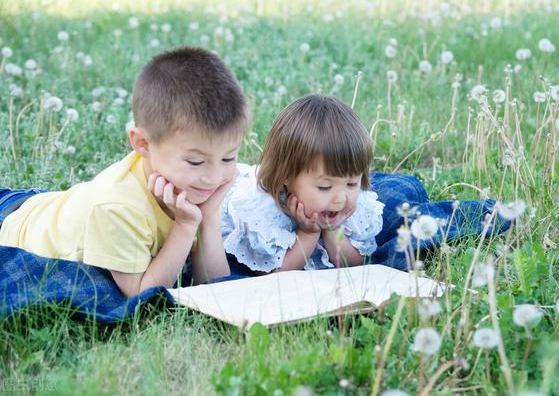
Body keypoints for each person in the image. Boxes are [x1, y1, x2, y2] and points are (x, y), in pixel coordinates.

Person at [0, 46, 249, 297]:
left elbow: (216, 286)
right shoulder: (119, 207)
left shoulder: (190, 186)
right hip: (16, 225)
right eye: (196, 162)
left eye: (229, 157)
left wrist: (207, 219)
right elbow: (142, 295)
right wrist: (185, 226)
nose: (215, 177)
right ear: (143, 144)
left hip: (52, 205)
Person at [221, 94, 384, 273]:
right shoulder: (262, 211)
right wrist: (308, 233)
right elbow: (272, 272)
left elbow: (355, 265)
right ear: (286, 176)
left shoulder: (353, 207)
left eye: (352, 183)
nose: (341, 199)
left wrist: (333, 229)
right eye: (325, 187)